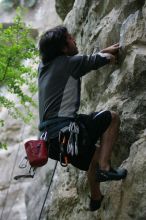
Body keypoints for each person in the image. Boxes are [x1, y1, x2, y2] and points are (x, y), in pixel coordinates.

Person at [38, 26, 127, 211]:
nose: (75, 40)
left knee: (94, 154)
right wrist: (112, 54)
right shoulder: (69, 63)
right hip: (68, 134)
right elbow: (104, 59)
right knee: (112, 117)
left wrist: (101, 53)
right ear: (63, 48)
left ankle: (95, 197)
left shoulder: (43, 68)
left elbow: (85, 61)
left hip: (51, 144)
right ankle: (105, 167)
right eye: (70, 38)